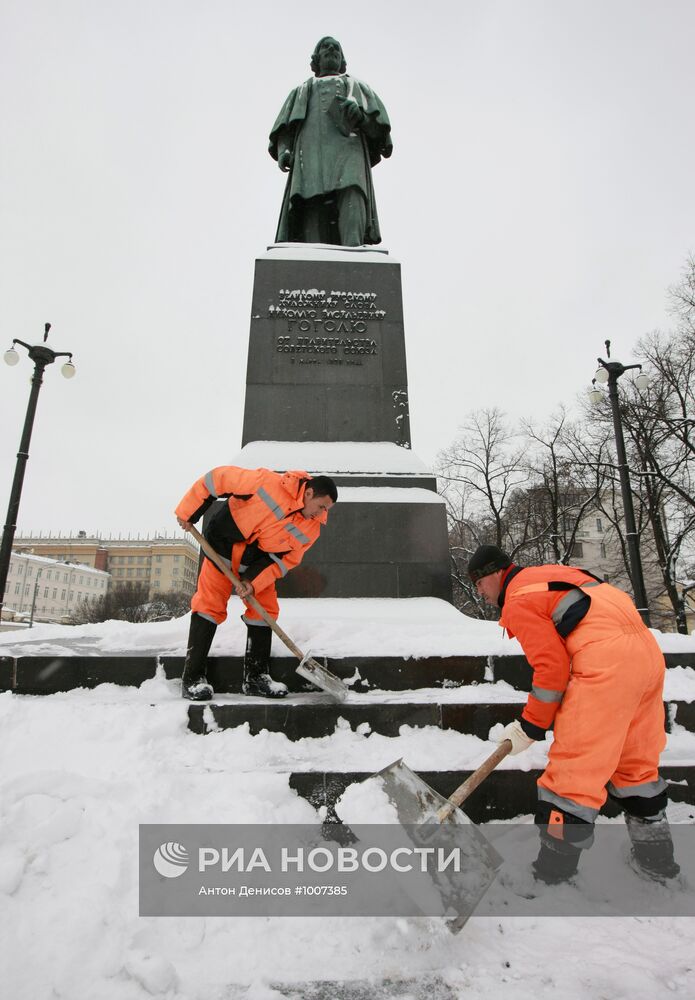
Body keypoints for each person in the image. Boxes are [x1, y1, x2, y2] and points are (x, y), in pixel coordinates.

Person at [468, 544, 680, 885]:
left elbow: (551, 669)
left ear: (496, 573)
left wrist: (530, 726)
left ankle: (552, 875)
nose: (479, 591)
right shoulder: (552, 575)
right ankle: (657, 861)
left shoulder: (519, 598)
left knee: (573, 775)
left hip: (605, 666)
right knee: (635, 765)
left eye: (479, 582)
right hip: (646, 659)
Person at [175, 467, 337, 701]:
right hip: (221, 550)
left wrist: (253, 581)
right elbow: (216, 480)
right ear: (309, 493)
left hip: (255, 565)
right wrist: (188, 511)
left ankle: (256, 678)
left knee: (266, 611)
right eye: (322, 506)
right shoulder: (266, 482)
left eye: (327, 510)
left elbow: (284, 561)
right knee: (208, 606)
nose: (322, 514)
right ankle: (192, 678)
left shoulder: (311, 528)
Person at [269, 36, 392, 247]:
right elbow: (285, 130)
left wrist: (361, 117)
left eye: (336, 48)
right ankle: (316, 257)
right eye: (325, 46)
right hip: (310, 156)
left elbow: (379, 133)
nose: (331, 49)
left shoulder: (357, 88)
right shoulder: (302, 91)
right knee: (312, 204)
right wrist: (284, 152)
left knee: (352, 195)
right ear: (316, 59)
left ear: (343, 60)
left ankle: (353, 252)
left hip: (349, 153)